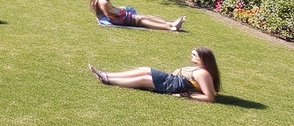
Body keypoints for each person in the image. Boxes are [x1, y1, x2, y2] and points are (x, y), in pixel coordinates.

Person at [89, 48, 220, 103]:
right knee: (144, 70)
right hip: (170, 79)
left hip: (171, 85)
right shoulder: (202, 69)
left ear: (203, 58)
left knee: (143, 79)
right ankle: (107, 75)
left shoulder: (203, 73)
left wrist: (186, 95)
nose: (191, 56)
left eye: (194, 55)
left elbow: (210, 97)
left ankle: (108, 79)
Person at [90, 0, 183, 31]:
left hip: (119, 16)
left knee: (146, 17)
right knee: (142, 21)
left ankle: (171, 24)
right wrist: (122, 15)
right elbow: (109, 15)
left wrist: (120, 9)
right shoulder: (102, 2)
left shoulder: (102, 0)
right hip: (119, 19)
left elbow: (111, 10)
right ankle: (170, 27)